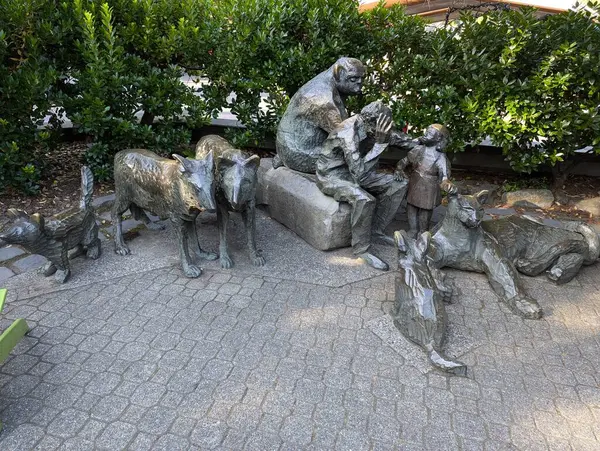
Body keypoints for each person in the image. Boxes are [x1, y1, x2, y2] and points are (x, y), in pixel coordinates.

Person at [316, 113, 408, 271]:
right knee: (364, 199)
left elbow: (399, 139)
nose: (383, 132)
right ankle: (361, 249)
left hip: (355, 172)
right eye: (381, 129)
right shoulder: (348, 134)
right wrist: (379, 144)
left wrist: (423, 143)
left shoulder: (371, 126)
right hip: (333, 176)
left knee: (398, 184)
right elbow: (360, 174)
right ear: (371, 124)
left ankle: (376, 231)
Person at [275, 57, 366, 173]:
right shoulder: (324, 100)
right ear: (338, 73)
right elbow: (347, 138)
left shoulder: (327, 81)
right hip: (299, 153)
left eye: (362, 78)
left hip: (289, 146)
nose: (360, 83)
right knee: (357, 162)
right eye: (353, 79)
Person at [395, 124, 456, 238]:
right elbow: (403, 162)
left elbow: (444, 176)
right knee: (411, 206)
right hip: (415, 181)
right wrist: (399, 170)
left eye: (430, 133)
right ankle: (413, 229)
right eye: (426, 132)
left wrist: (446, 183)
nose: (426, 135)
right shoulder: (418, 149)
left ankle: (423, 232)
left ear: (438, 138)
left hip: (430, 186)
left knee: (425, 210)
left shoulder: (440, 157)